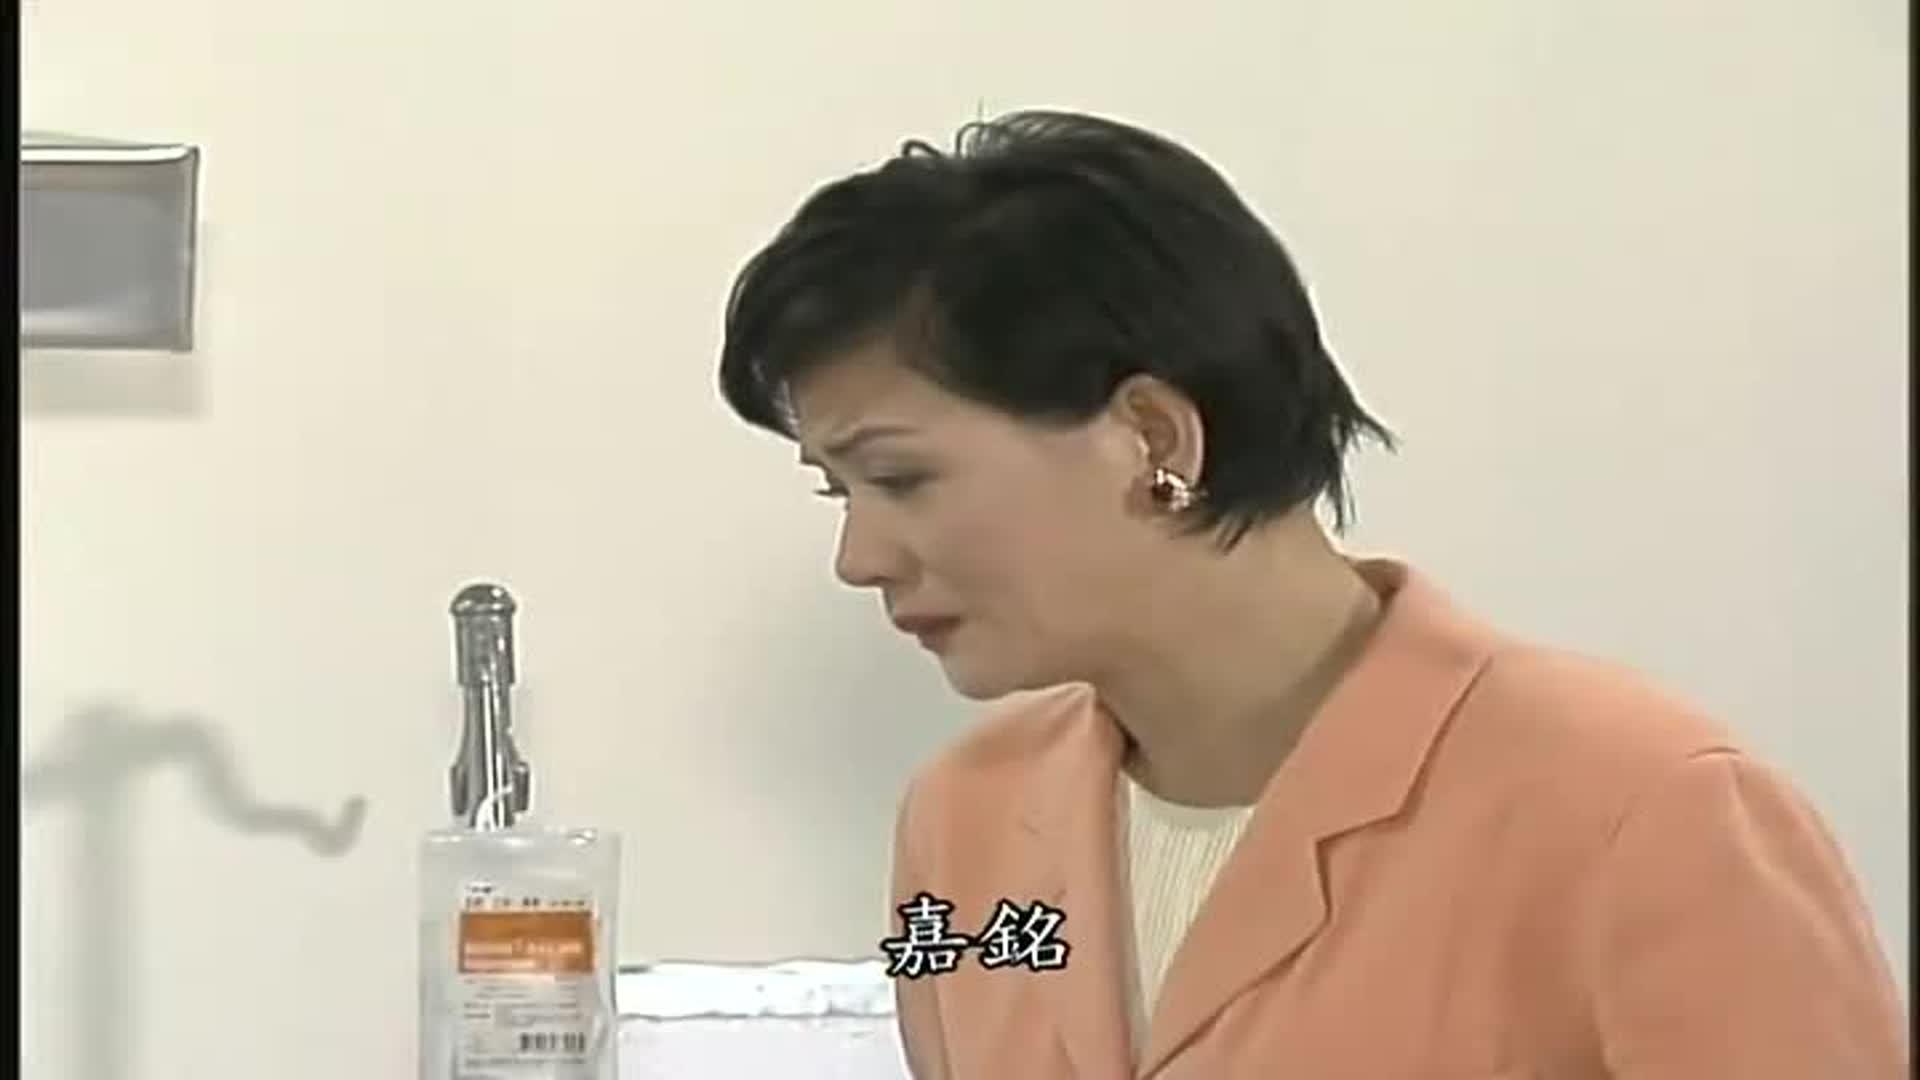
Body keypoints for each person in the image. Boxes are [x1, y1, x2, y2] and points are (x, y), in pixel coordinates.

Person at [716, 110, 1908, 1078]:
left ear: (1151, 437)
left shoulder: (1643, 810)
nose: (860, 557)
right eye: (838, 492)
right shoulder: (962, 822)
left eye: (900, 478)